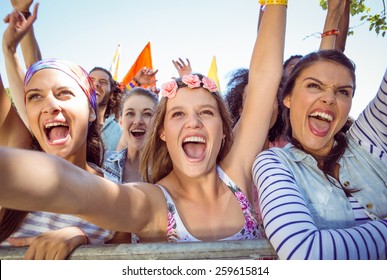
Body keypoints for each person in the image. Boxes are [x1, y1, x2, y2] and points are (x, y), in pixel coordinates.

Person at [0, 3, 288, 244]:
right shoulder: (152, 202)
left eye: (206, 113)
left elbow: (264, 79)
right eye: (178, 114)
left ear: (224, 130)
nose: (194, 123)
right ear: (162, 132)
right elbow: (73, 188)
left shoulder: (237, 175)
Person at [1, 5, 115, 259]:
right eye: (35, 97)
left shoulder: (117, 195)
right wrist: (8, 49)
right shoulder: (16, 158)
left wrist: (81, 237)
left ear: (92, 110)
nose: (50, 105)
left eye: (64, 93)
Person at [252, 51, 387, 260]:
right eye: (314, 85)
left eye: (343, 92)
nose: (329, 98)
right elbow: (304, 254)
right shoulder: (272, 162)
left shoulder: (370, 139)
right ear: (288, 97)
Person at [104, 87, 158, 183]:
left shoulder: (167, 172)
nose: (138, 121)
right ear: (121, 122)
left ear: (158, 122)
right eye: (130, 113)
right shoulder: (102, 162)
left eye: (147, 114)